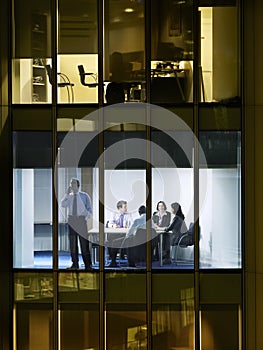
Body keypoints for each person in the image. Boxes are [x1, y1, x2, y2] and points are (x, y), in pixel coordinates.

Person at [61, 178, 93, 270]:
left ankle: (88, 265)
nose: (72, 185)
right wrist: (66, 194)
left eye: (74, 183)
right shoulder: (69, 196)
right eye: (71, 183)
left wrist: (85, 219)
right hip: (72, 220)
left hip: (81, 220)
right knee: (72, 244)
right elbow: (63, 205)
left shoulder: (84, 196)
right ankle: (75, 264)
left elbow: (89, 209)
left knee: (84, 244)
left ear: (78, 185)